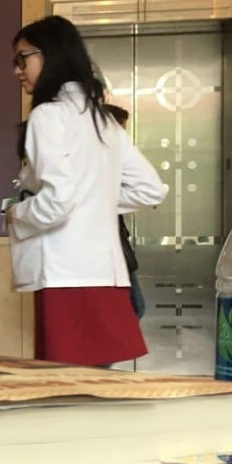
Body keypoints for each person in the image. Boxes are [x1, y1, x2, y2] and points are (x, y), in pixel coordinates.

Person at [5, 15, 165, 367]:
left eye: (23, 58)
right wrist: (98, 197)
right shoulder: (103, 119)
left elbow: (58, 202)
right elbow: (151, 190)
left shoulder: (49, 116)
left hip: (65, 274)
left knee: (64, 388)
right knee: (94, 384)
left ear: (50, 54)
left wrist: (17, 214)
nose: (18, 70)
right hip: (105, 274)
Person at [104, 103, 146, 321]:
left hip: (118, 246)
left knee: (135, 308)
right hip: (111, 252)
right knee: (135, 308)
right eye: (121, 129)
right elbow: (150, 190)